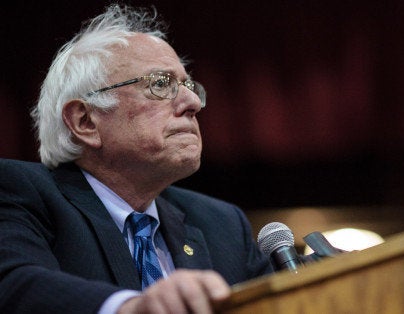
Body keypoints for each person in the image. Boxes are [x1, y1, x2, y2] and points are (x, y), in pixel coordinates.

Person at [0, 4, 273, 313]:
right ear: (85, 122)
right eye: (160, 84)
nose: (193, 102)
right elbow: (13, 283)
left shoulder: (223, 225)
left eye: (187, 85)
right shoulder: (18, 192)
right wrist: (132, 308)